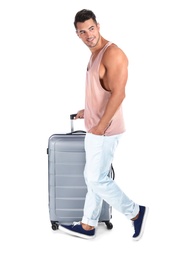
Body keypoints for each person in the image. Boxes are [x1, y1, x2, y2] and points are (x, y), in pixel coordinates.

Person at [59, 9, 148, 240]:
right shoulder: (94, 54)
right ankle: (88, 225)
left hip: (105, 130)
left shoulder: (113, 53)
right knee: (94, 177)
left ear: (98, 25)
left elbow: (119, 94)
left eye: (91, 28)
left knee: (95, 178)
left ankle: (135, 213)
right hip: (96, 127)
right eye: (82, 32)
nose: (88, 35)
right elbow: (103, 92)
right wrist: (87, 111)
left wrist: (100, 126)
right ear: (77, 35)